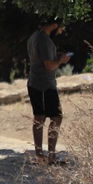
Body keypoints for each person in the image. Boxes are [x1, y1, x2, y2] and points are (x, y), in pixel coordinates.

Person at [27, 17, 73, 162]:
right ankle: (47, 156)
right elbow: (49, 66)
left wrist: (56, 57)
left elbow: (43, 60)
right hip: (43, 84)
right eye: (60, 28)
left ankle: (42, 155)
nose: (60, 31)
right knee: (50, 118)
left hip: (37, 82)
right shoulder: (44, 40)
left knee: (41, 117)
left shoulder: (34, 36)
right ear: (54, 24)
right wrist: (61, 60)